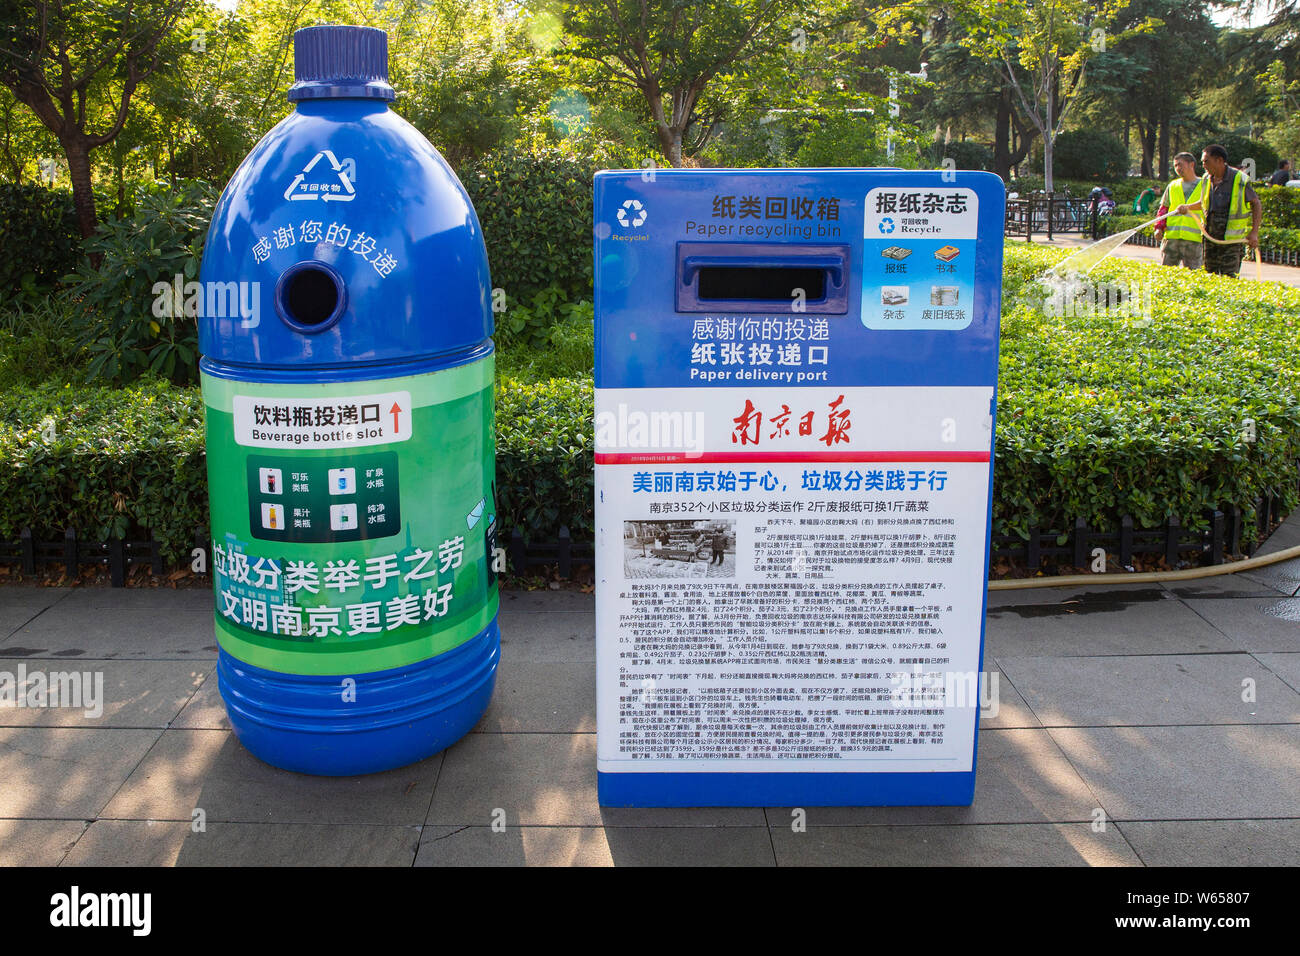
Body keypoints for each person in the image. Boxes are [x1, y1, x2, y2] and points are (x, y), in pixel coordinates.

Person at [1173, 144, 1262, 277]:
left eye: (1206, 161)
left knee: (1229, 279)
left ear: (1219, 160)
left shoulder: (1239, 179)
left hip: (1231, 242)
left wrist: (1254, 232)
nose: (1203, 165)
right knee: (1209, 277)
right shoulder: (1206, 179)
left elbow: (1256, 203)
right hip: (1210, 239)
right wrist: (1187, 207)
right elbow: (1204, 203)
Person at [1153, 152, 1207, 269]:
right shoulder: (1173, 185)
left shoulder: (1205, 185)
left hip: (1194, 240)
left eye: (1180, 165)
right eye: (1175, 165)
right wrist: (1158, 227)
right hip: (1171, 239)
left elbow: (1207, 205)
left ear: (1191, 164)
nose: (1177, 168)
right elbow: (1163, 209)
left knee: (1194, 276)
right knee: (1166, 274)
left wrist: (1188, 208)